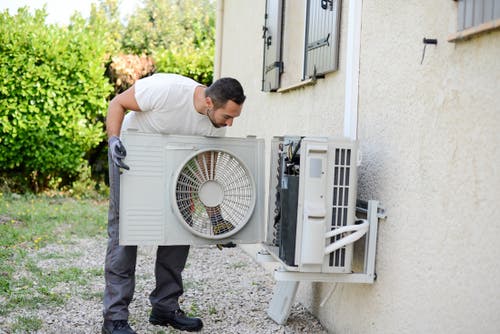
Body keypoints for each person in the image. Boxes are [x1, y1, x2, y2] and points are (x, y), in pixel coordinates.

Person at [102, 73, 246, 334]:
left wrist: (216, 219)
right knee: (125, 236)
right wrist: (113, 140)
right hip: (133, 158)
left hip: (176, 168)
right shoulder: (166, 90)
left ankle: (164, 308)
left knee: (180, 230)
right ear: (210, 102)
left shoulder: (216, 124)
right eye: (228, 116)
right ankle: (114, 318)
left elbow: (206, 173)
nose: (230, 123)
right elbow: (117, 103)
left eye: (233, 117)